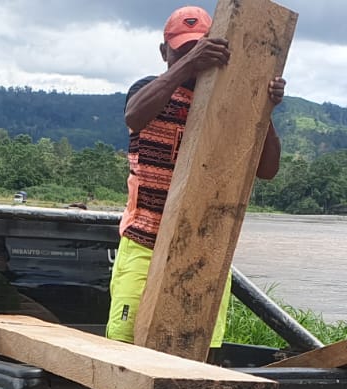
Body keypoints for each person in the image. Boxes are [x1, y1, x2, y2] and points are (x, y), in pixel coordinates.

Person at [107, 6, 285, 348]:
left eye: (202, 49)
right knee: (124, 346)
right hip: (145, 242)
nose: (196, 58)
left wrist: (263, 108)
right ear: (164, 52)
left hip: (205, 249)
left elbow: (267, 170)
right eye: (183, 50)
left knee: (197, 348)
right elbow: (134, 116)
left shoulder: (229, 103)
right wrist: (188, 65)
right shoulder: (149, 90)